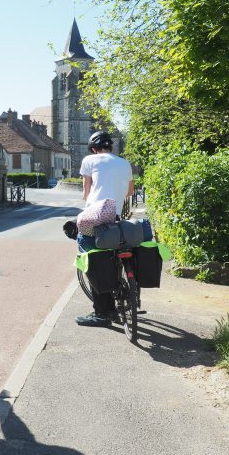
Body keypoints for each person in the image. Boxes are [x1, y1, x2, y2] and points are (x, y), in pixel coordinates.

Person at [75, 131, 134, 327]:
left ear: (93, 148)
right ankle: (115, 302)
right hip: (114, 216)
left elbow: (85, 193)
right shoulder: (124, 163)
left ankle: (102, 314)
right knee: (110, 256)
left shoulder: (89, 160)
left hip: (96, 214)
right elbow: (130, 192)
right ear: (111, 147)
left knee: (91, 257)